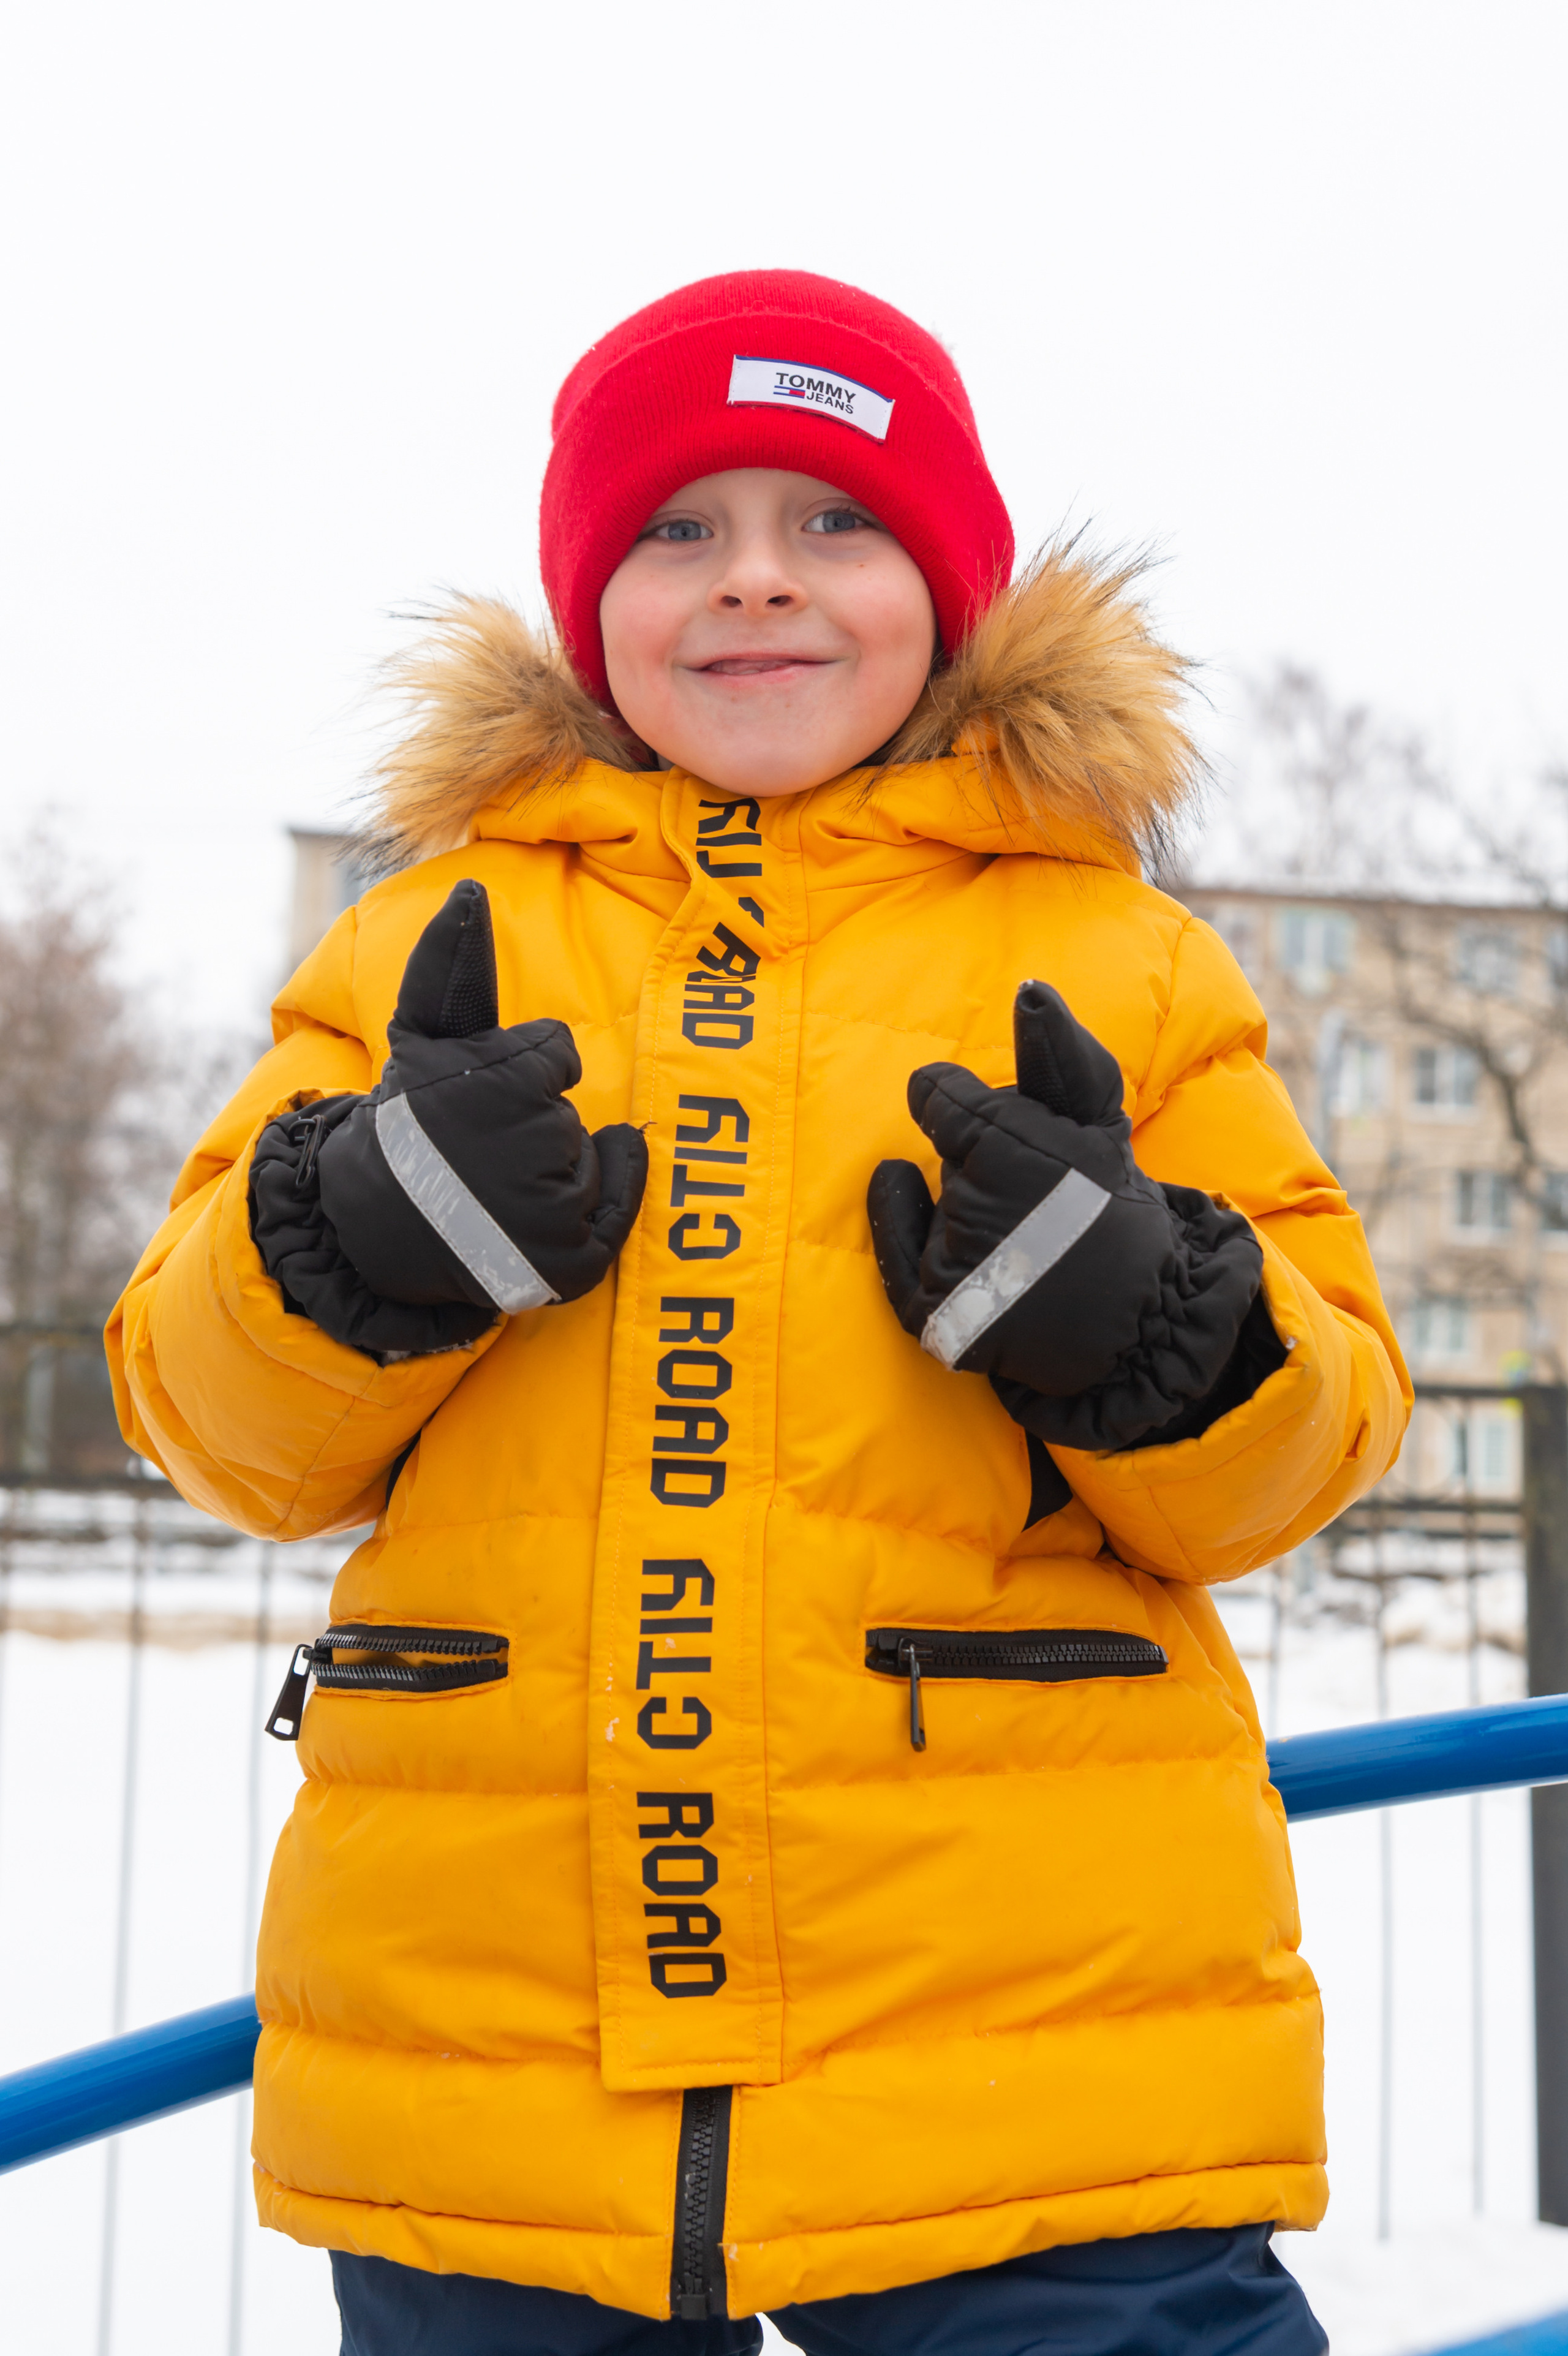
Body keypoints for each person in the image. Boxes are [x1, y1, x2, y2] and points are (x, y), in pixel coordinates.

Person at [107, 271, 1408, 2355]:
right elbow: (206, 1422)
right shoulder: (432, 932)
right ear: (588, 600)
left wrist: (1150, 1325)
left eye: (834, 521)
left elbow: (1310, 1445)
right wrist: (353, 1243)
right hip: (497, 2049)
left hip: (1033, 2034)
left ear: (950, 583)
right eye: (675, 532)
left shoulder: (1123, 954)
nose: (753, 587)